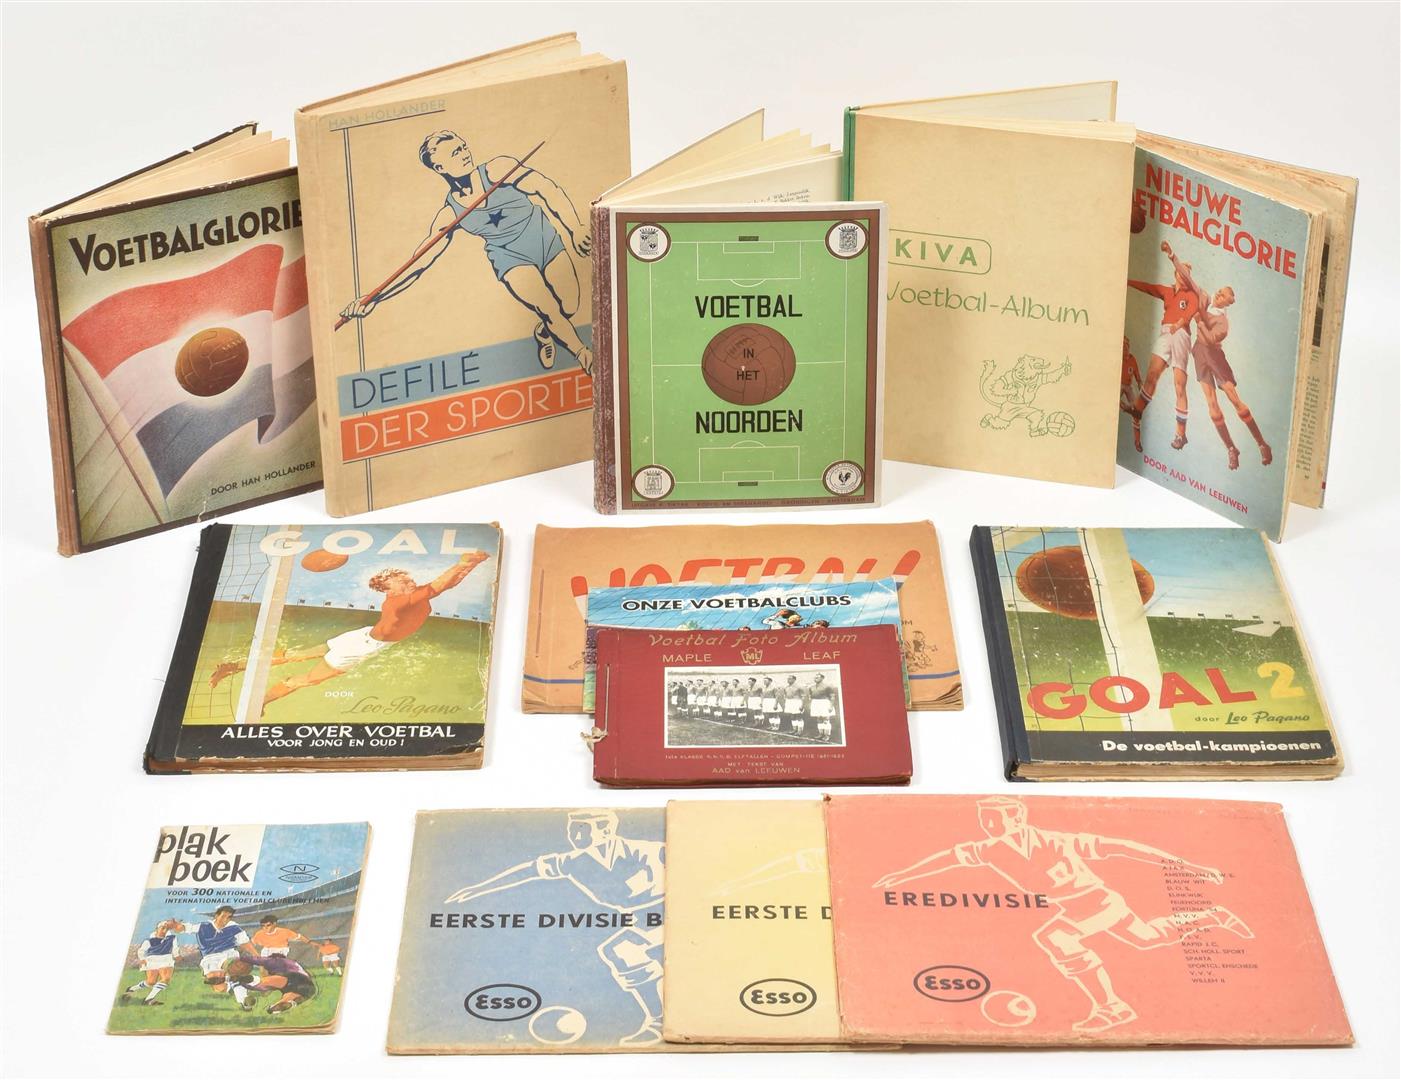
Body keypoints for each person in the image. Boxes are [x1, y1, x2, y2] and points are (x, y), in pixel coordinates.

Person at [872, 796, 1252, 1033]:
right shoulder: (990, 851)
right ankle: (1211, 917)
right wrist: (902, 876)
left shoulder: (1059, 841)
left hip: (1099, 900)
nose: (988, 826)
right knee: (1147, 938)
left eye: (995, 819)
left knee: (1055, 937)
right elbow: (948, 858)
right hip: (1075, 907)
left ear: (1017, 818)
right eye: (984, 819)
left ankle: (1112, 1007)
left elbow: (1124, 847)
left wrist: (1188, 866)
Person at [339, 131, 594, 374]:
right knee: (548, 308)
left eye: (463, 148)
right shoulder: (450, 213)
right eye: (455, 153)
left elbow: (545, 187)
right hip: (508, 257)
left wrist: (575, 228)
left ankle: (544, 332)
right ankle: (584, 356)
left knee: (570, 306)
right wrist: (374, 299)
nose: (465, 154)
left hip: (543, 237)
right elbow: (419, 263)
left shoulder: (498, 169)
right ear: (440, 167)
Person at [444, 810, 665, 1047]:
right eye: (573, 830)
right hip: (640, 921)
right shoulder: (573, 863)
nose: (575, 836)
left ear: (606, 830)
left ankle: (661, 1020)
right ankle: (659, 1021)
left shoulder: (650, 850)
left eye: (582, 829)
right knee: (619, 950)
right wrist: (477, 889)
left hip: (675, 912)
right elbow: (529, 870)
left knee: (623, 949)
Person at [210, 550, 490, 711]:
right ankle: (260, 702)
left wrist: (473, 563)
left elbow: (448, 584)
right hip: (361, 647)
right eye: (403, 581)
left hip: (362, 635)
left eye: (409, 579)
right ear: (389, 589)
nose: (410, 582)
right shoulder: (400, 602)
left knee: (295, 655)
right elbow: (440, 585)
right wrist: (463, 563)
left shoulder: (412, 596)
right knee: (309, 680)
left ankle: (234, 666)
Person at [1165, 244, 1272, 470]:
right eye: (1219, 291)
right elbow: (1188, 278)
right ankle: (1231, 448)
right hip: (1200, 354)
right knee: (1212, 406)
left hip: (1215, 356)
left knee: (1234, 398)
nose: (1218, 294)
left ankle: (1262, 443)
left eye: (1223, 295)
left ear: (1227, 303)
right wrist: (1172, 256)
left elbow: (1212, 339)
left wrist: (1199, 321)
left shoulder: (1223, 323)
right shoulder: (1204, 297)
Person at [1126, 243, 1200, 449]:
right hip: (1165, 332)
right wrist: (1127, 281)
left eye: (1188, 273)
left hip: (1181, 335)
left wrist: (1180, 323)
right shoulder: (1167, 291)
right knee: (1152, 375)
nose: (1184, 275)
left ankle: (1180, 434)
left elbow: (1189, 314)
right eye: (1182, 272)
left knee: (1179, 384)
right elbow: (1148, 287)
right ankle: (1137, 410)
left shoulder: (1193, 294)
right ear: (1176, 273)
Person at [195, 906, 261, 1010]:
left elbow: (245, 942)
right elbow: (183, 927)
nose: (225, 919)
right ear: (216, 916)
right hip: (211, 958)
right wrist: (175, 926)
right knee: (220, 988)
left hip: (229, 955)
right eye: (223, 916)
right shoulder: (203, 926)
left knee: (236, 971)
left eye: (229, 917)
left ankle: (244, 1000)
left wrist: (257, 955)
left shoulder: (234, 927)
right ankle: (245, 981)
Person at [121, 918, 185, 1007]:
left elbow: (175, 949)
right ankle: (131, 989)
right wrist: (142, 959)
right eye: (163, 928)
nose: (164, 930)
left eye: (166, 928)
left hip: (166, 959)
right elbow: (141, 951)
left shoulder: (172, 938)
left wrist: (177, 955)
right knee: (151, 982)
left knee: (166, 978)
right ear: (157, 929)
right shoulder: (149, 940)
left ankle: (149, 999)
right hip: (152, 960)